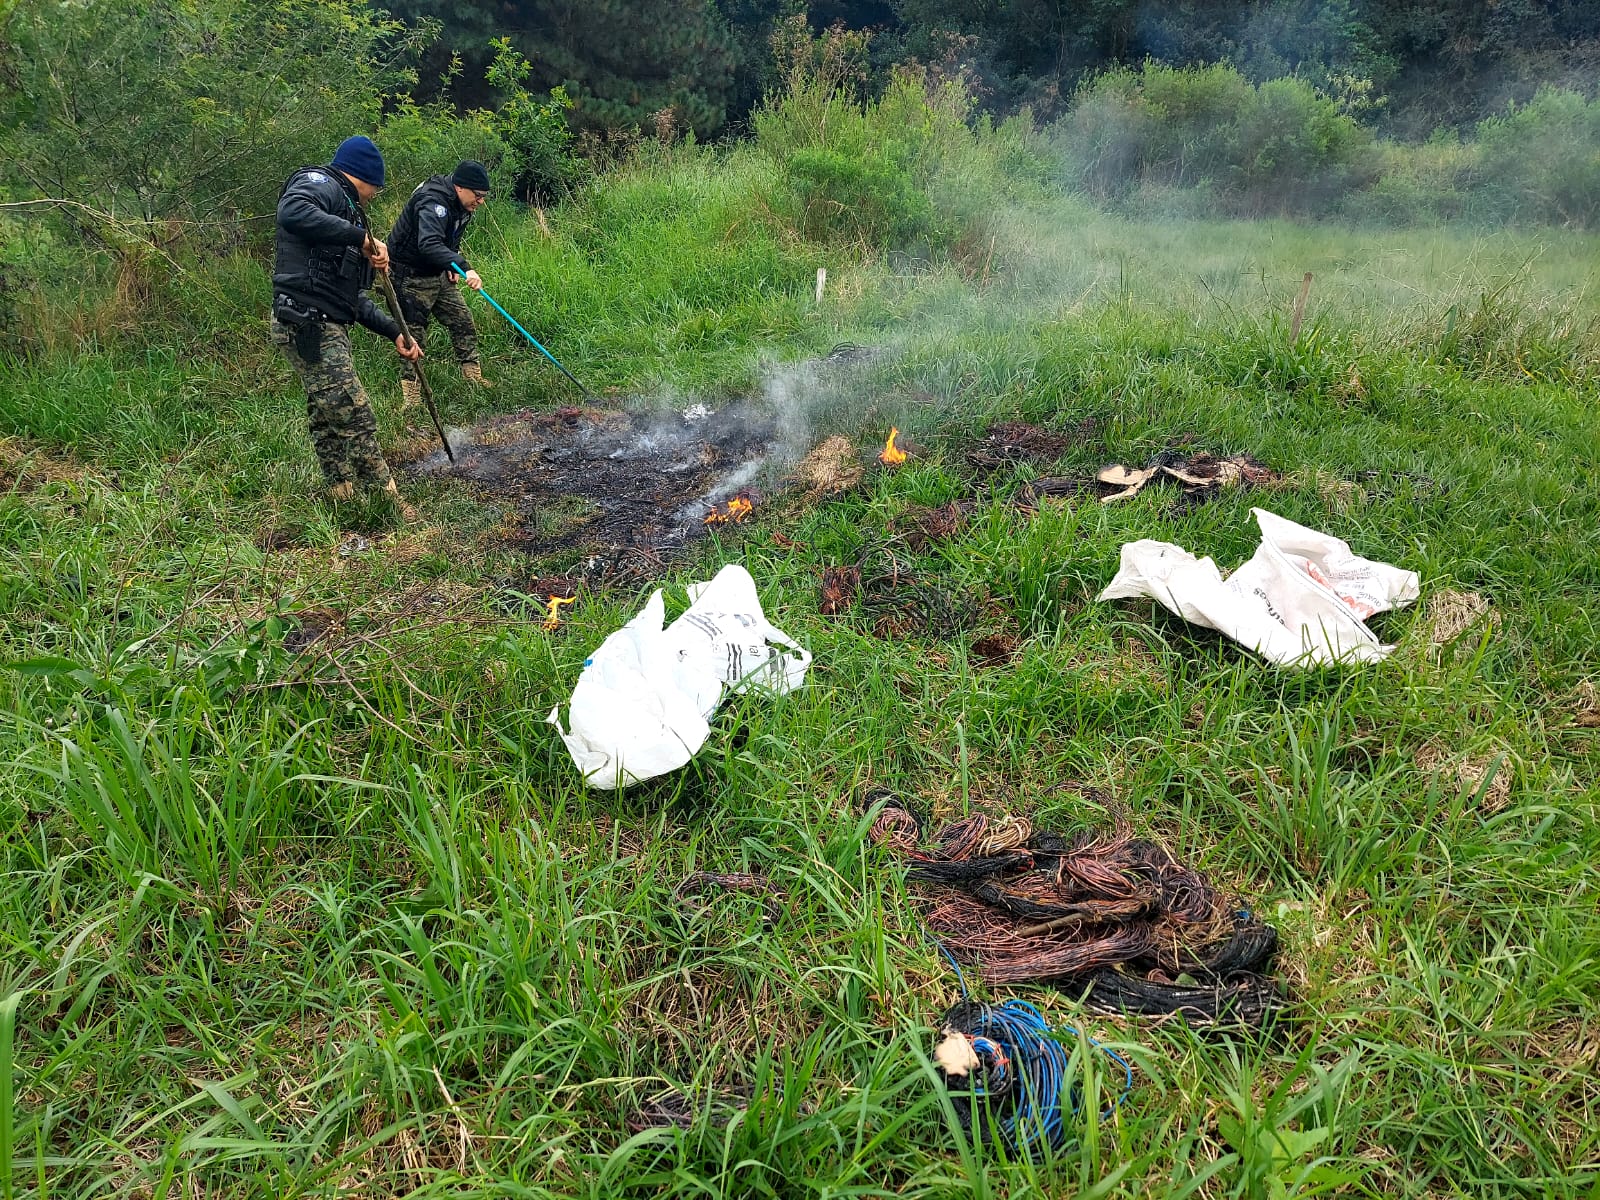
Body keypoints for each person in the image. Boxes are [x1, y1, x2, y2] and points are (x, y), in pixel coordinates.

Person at [270, 134, 422, 511]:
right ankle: (389, 503)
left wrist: (394, 332)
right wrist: (361, 239)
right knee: (353, 411)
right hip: (307, 321)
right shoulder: (320, 184)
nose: (374, 196)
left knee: (326, 414)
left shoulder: (346, 212)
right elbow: (293, 211)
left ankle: (341, 493)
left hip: (324, 318)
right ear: (363, 176)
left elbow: (350, 298)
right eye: (375, 189)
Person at [387, 160, 493, 408]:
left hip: (438, 273)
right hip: (409, 275)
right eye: (477, 196)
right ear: (460, 187)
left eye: (484, 197)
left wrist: (449, 264)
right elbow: (429, 243)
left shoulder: (465, 205)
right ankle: (411, 398)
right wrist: (464, 267)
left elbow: (450, 238)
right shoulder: (433, 202)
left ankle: (473, 377)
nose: (480, 201)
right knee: (413, 337)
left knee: (462, 321)